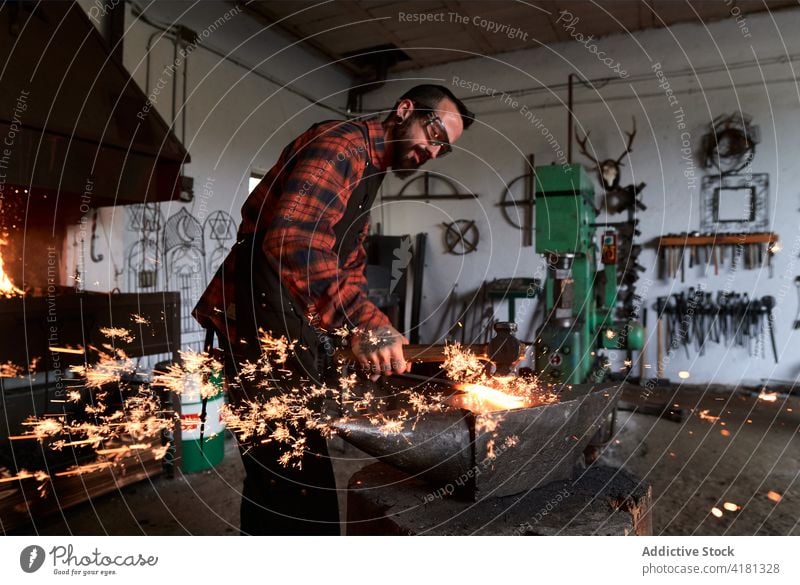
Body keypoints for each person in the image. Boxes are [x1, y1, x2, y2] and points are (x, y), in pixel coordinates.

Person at [193, 84, 474, 535]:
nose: (434, 151)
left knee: (283, 476)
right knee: (297, 481)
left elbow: (350, 263)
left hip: (288, 327)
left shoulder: (370, 169)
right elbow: (293, 240)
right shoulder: (342, 145)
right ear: (405, 110)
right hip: (256, 324)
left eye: (444, 149)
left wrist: (370, 327)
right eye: (434, 132)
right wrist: (362, 321)